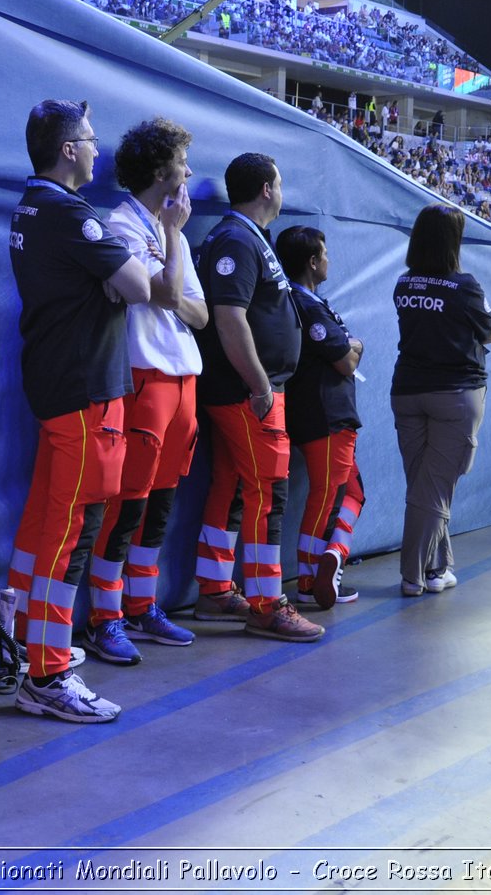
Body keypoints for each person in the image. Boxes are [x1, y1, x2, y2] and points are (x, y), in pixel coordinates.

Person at [7, 100, 151, 722]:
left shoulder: (34, 207)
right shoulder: (68, 213)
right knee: (72, 534)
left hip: (63, 386)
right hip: (83, 391)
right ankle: (47, 672)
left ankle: (28, 642)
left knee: (49, 524)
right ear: (68, 149)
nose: (97, 150)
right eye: (91, 140)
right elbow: (142, 288)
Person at [81, 119, 207, 666]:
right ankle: (104, 617)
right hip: (144, 374)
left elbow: (198, 314)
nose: (190, 172)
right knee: (126, 501)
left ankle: (141, 604)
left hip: (184, 377)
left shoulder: (167, 228)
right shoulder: (122, 226)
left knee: (161, 501)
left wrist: (172, 269)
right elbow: (165, 294)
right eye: (183, 162)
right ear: (162, 172)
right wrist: (175, 242)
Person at [192, 153, 323, 642]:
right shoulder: (235, 239)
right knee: (267, 495)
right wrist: (261, 386)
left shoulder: (249, 238)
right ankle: (267, 604)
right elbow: (230, 317)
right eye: (281, 183)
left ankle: (214, 589)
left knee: (231, 488)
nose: (283, 192)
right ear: (267, 189)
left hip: (249, 391)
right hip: (249, 393)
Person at [391, 204, 491, 597]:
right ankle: (412, 577)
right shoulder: (465, 286)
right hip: (455, 394)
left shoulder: (405, 284)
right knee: (432, 490)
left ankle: (438, 569)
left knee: (424, 485)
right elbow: (490, 334)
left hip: (407, 392)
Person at [274, 225, 364, 609]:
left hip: (333, 417)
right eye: (325, 254)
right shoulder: (305, 304)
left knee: (353, 493)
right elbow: (345, 360)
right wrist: (356, 344)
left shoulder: (309, 300)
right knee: (326, 497)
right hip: (325, 417)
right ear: (312, 262)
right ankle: (310, 579)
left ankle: (333, 556)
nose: (329, 260)